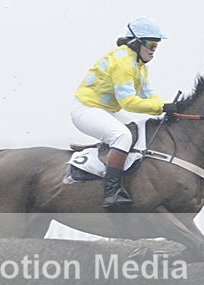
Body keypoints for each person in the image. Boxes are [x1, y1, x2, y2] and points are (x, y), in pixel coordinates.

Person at [71, 16, 179, 207]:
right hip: (85, 109)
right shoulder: (122, 62)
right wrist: (160, 107)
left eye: (157, 45)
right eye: (151, 44)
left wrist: (168, 107)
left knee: (136, 129)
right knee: (122, 136)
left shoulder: (139, 64)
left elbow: (149, 95)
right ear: (136, 43)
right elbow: (128, 102)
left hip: (104, 110)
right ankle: (111, 192)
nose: (154, 50)